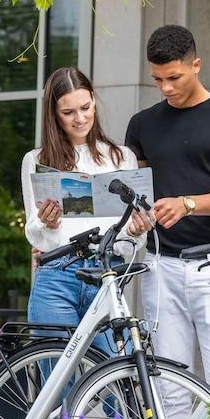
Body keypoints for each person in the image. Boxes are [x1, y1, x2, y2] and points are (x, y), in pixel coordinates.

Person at [125, 24, 210, 419]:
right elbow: (138, 195)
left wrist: (187, 204)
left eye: (174, 77)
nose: (165, 87)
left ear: (196, 65)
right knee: (168, 385)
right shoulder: (142, 124)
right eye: (158, 79)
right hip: (161, 267)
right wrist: (138, 216)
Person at [21, 66, 151, 354]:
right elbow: (33, 230)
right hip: (56, 275)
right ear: (54, 114)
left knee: (114, 378)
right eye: (68, 112)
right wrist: (47, 224)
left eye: (85, 107)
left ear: (93, 101)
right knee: (57, 379)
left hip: (105, 273)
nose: (80, 118)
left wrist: (136, 230)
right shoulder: (36, 160)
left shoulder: (121, 156)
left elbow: (132, 239)